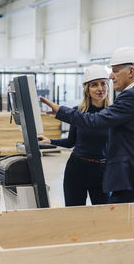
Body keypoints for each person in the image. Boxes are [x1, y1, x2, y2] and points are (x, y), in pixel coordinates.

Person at [40, 47, 134, 205]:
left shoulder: (132, 96)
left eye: (115, 71)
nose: (111, 77)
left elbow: (95, 122)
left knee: (118, 227)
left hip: (131, 183)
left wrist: (61, 111)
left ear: (131, 71)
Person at [39, 65, 111, 206]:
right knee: (74, 212)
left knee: (104, 214)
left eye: (103, 83)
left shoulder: (114, 113)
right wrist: (51, 141)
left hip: (102, 171)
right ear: (87, 90)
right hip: (77, 169)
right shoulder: (78, 112)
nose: (100, 88)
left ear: (108, 86)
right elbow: (71, 142)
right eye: (94, 85)